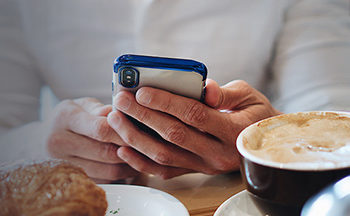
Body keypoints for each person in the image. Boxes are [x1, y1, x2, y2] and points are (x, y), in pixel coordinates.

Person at [0, 0, 349, 183]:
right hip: (82, 209)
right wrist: (42, 146)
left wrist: (264, 141)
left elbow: (332, 108)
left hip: (228, 212)